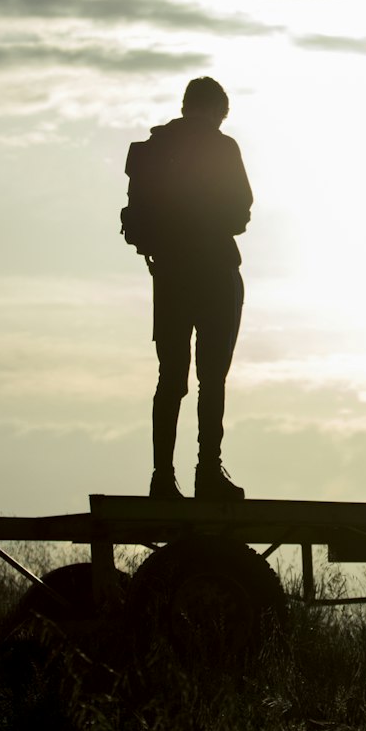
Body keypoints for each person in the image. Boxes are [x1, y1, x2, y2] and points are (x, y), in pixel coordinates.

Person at [122, 77, 252, 502]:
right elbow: (241, 211)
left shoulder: (152, 150)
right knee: (212, 379)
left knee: (170, 378)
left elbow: (135, 219)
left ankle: (162, 477)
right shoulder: (222, 147)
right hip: (215, 272)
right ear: (218, 111)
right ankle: (207, 473)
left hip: (171, 276)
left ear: (184, 106)